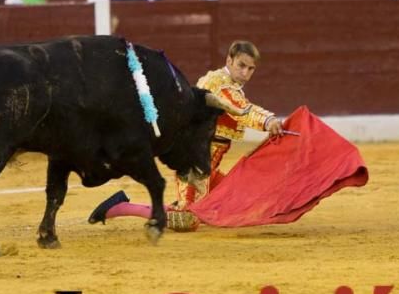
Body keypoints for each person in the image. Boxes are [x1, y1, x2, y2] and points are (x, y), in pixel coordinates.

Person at [87, 40, 283, 230]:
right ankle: (119, 207)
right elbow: (240, 109)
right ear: (229, 60)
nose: (245, 73)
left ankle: (183, 203)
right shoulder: (219, 85)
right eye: (241, 65)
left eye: (251, 69)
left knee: (236, 202)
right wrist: (268, 121)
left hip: (209, 164)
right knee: (188, 220)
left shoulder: (226, 83)